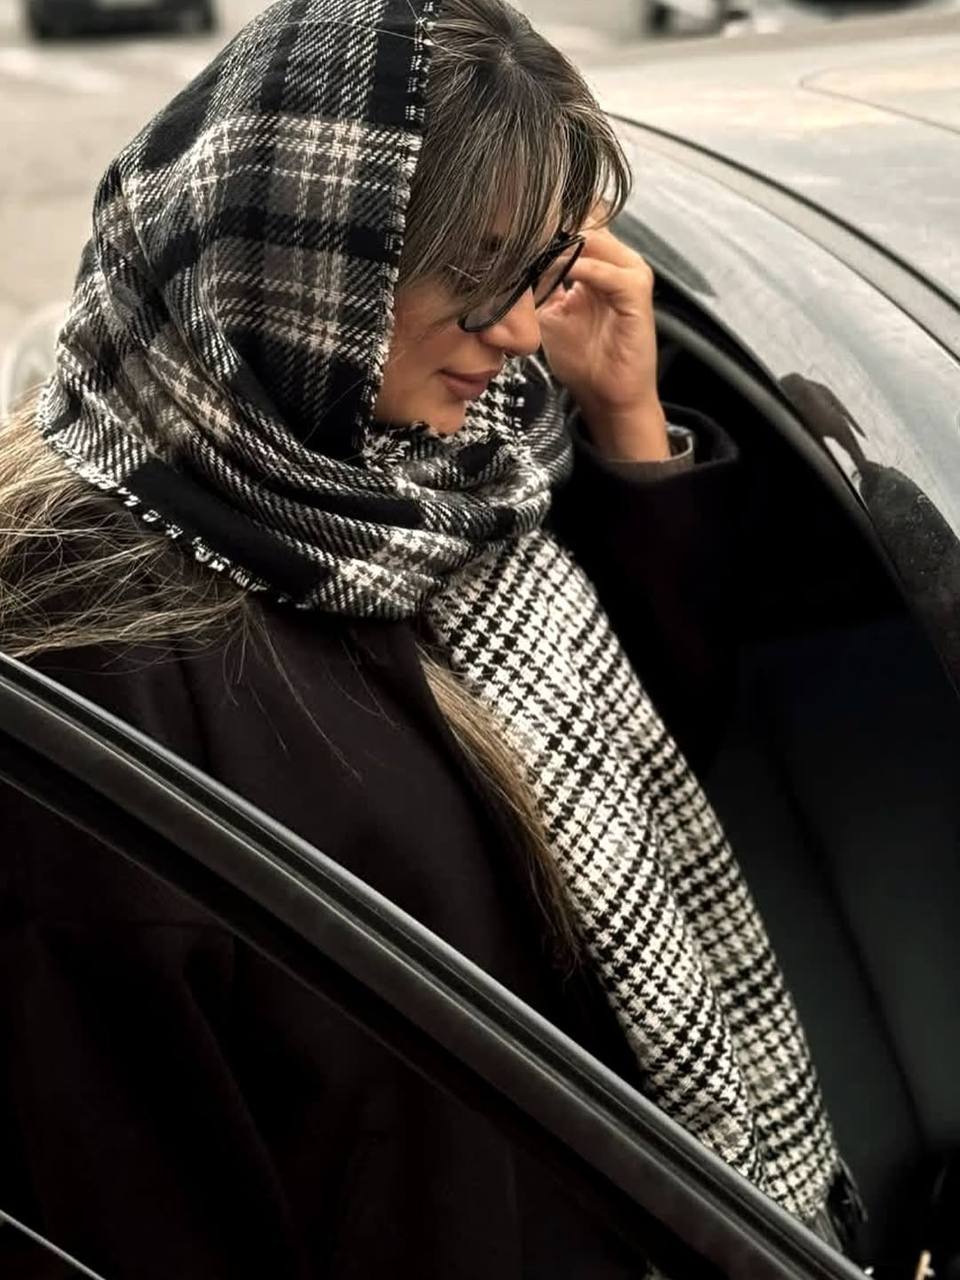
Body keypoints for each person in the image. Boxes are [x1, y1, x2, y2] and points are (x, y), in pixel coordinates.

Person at [0, 0, 860, 1275]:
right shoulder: (88, 639)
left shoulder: (439, 475)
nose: (517, 331)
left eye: (540, 273)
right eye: (477, 272)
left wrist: (627, 421)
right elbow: (117, 1178)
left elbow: (597, 793)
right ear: (307, 254)